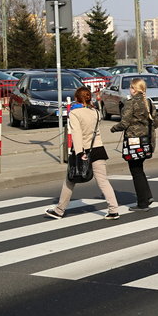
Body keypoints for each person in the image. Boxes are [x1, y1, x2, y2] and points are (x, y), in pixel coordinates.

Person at [46, 87, 120, 220]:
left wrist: (80, 152)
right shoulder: (96, 112)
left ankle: (59, 210)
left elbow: (76, 133)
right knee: (103, 181)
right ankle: (113, 210)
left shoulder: (74, 113)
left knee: (70, 180)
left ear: (76, 98)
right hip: (98, 149)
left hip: (82, 150)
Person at [110, 77, 158, 211]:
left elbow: (124, 123)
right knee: (140, 169)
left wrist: (113, 128)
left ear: (135, 89)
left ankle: (142, 203)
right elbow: (156, 123)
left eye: (131, 87)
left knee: (136, 171)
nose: (129, 90)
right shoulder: (148, 102)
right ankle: (147, 196)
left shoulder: (130, 103)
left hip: (134, 143)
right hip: (147, 141)